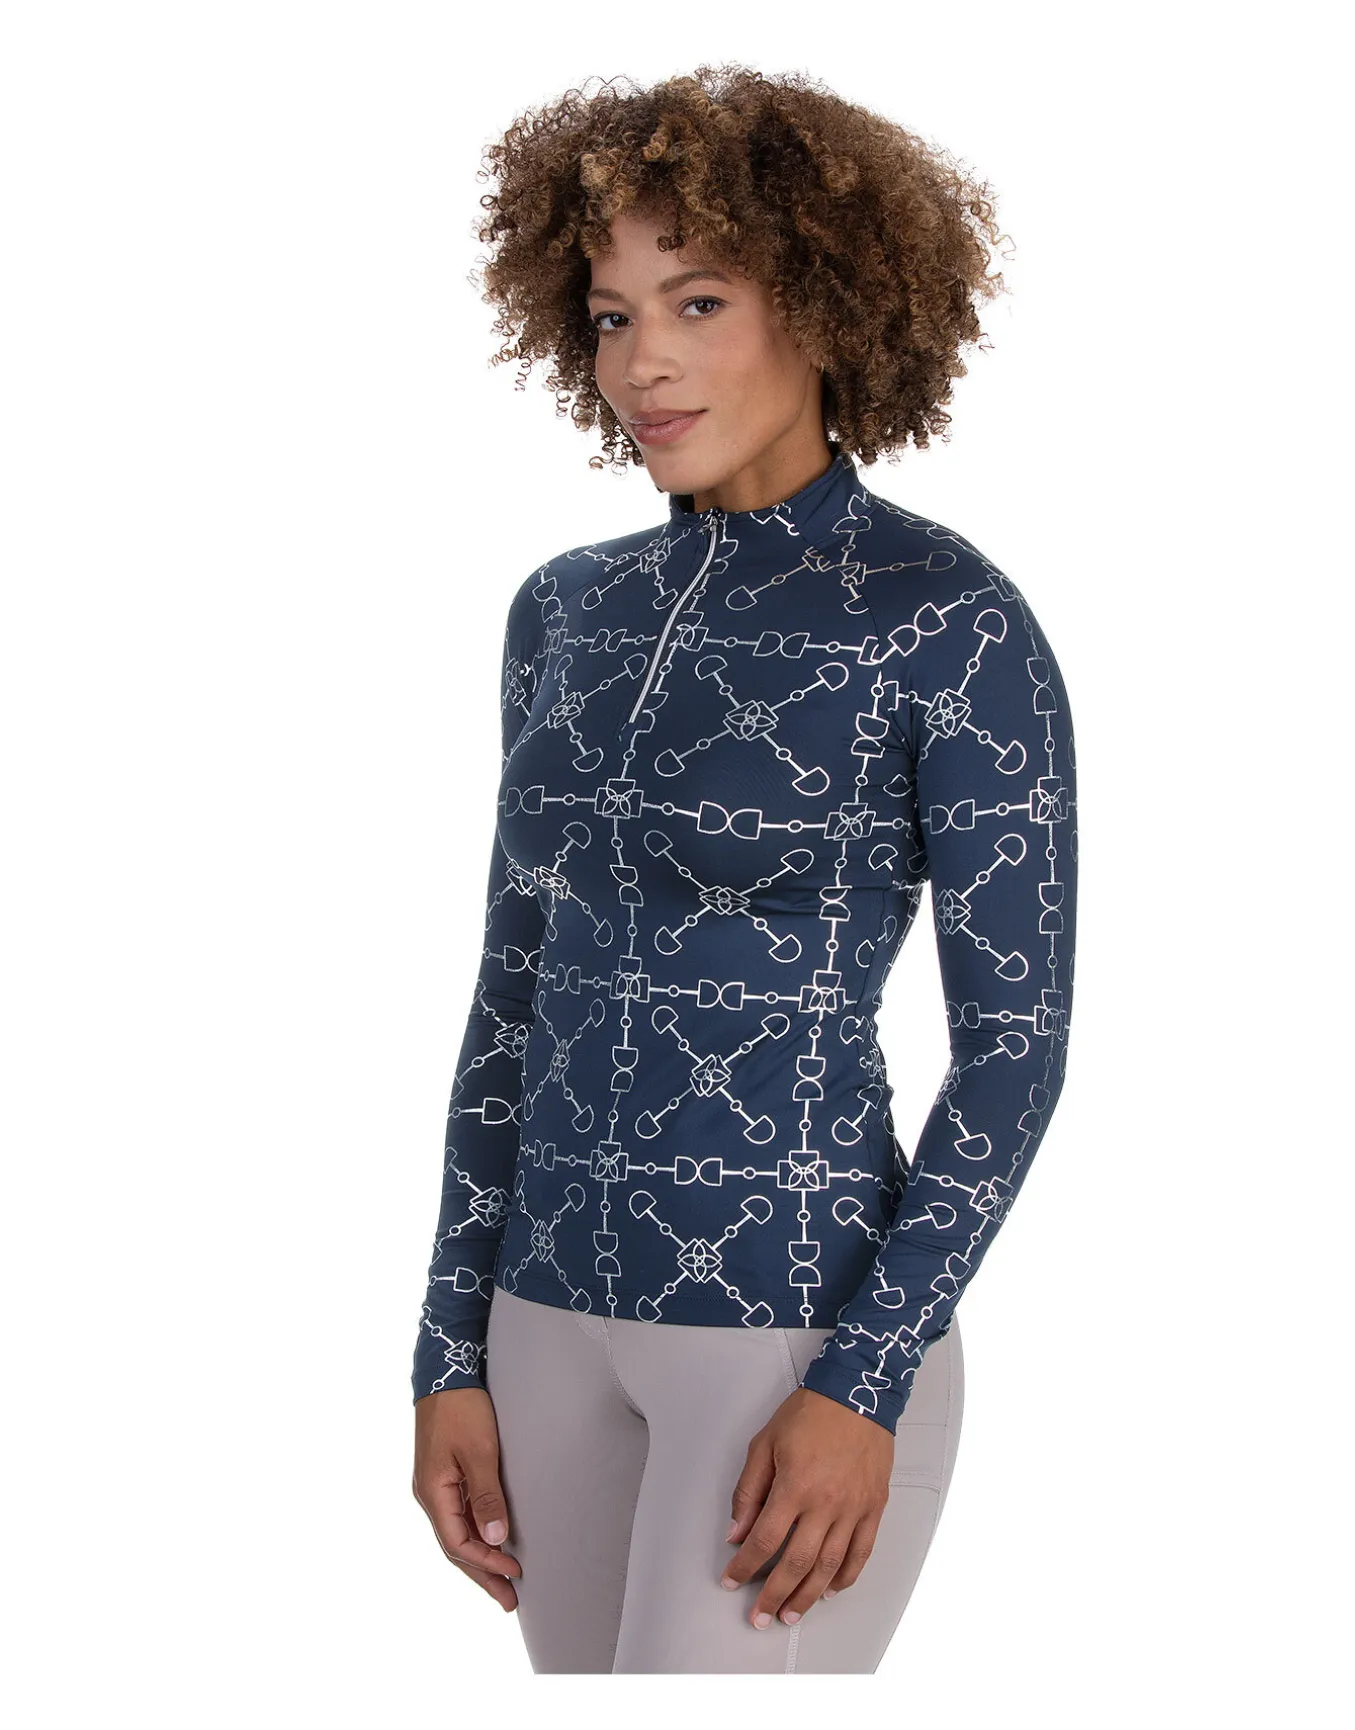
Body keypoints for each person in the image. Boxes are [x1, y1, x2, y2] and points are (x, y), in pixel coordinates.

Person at [410, 66, 1079, 1674]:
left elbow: (1012, 1051)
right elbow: (511, 997)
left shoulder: (947, 622)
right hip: (541, 1323)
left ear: (828, 305)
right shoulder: (562, 610)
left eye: (696, 302)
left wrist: (866, 1377)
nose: (639, 361)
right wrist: (448, 1346)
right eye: (609, 315)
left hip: (786, 1330)